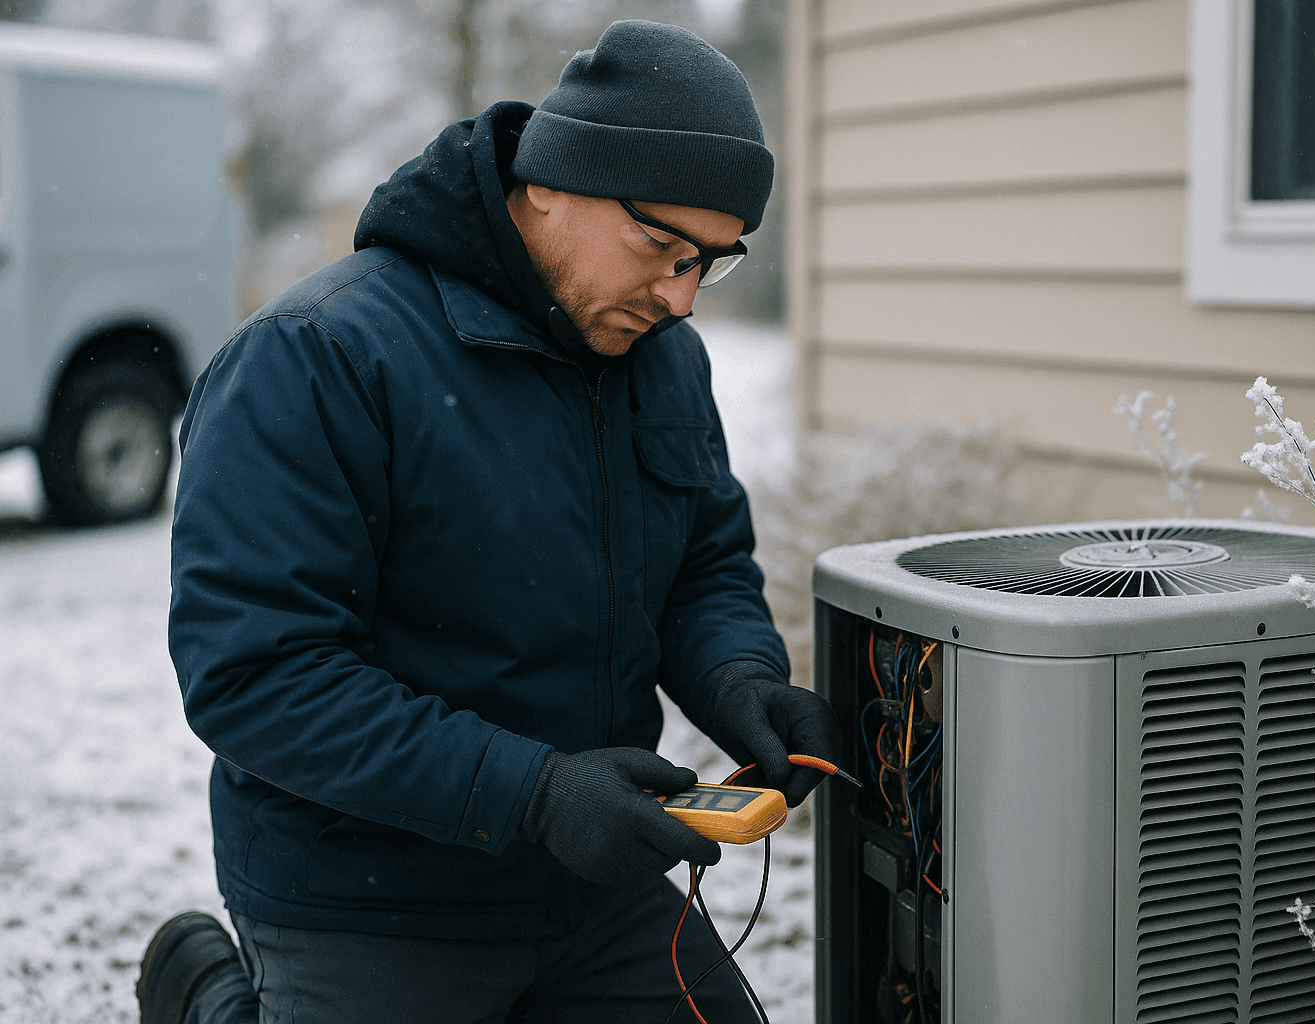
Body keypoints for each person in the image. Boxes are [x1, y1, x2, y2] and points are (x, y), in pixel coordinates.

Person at [137, 20, 840, 1024]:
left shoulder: (659, 357)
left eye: (710, 261)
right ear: (552, 181)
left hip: (593, 880)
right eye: (661, 246)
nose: (681, 297)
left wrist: (740, 677)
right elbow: (259, 675)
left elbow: (702, 566)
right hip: (371, 893)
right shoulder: (317, 358)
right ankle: (207, 996)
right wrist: (534, 795)